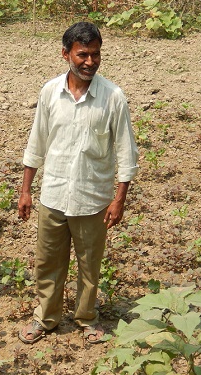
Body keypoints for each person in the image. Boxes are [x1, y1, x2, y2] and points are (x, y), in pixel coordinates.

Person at [17, 22, 139, 344]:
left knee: (89, 267)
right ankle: (46, 318)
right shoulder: (49, 93)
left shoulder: (113, 97)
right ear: (66, 54)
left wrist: (119, 199)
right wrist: (26, 190)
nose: (90, 62)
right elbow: (36, 143)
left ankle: (87, 318)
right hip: (53, 197)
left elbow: (127, 151)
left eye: (96, 55)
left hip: (92, 199)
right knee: (48, 264)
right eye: (82, 54)